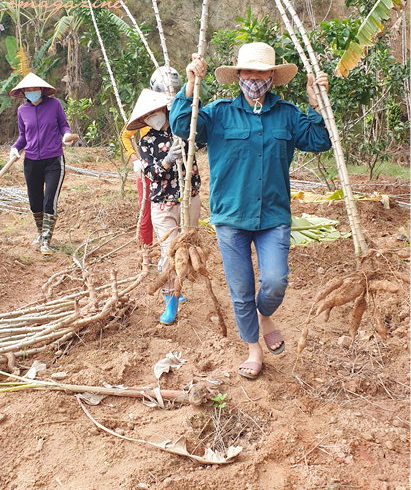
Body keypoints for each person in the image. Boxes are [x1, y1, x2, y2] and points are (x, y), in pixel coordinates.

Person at [170, 42, 332, 378]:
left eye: (261, 72)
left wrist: (316, 105)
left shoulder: (287, 114)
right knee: (241, 289)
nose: (254, 78)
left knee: (275, 281)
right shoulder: (218, 113)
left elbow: (318, 140)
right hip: (231, 218)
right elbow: (182, 125)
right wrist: (189, 85)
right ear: (238, 75)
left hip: (273, 216)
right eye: (248, 72)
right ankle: (253, 348)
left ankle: (265, 314)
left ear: (272, 76)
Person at [128, 88, 201, 325]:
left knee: (187, 246)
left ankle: (178, 286)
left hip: (189, 198)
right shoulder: (146, 142)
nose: (152, 118)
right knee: (168, 252)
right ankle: (170, 300)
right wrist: (168, 160)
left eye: (155, 113)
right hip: (163, 203)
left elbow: (201, 141)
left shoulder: (184, 130)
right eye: (147, 117)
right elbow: (151, 175)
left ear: (164, 109)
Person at [9, 72, 76, 255]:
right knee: (34, 202)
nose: (32, 92)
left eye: (35, 89)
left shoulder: (54, 105)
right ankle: (40, 233)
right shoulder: (22, 111)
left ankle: (46, 240)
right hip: (31, 161)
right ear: (23, 92)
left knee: (49, 201)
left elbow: (64, 125)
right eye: (28, 90)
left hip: (53, 160)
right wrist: (15, 148)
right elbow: (23, 136)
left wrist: (66, 136)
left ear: (42, 90)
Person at [121, 66, 183, 248]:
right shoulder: (147, 109)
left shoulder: (176, 110)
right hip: (151, 169)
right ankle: (146, 253)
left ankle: (174, 251)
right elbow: (125, 135)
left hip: (176, 175)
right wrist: (135, 159)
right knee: (146, 212)